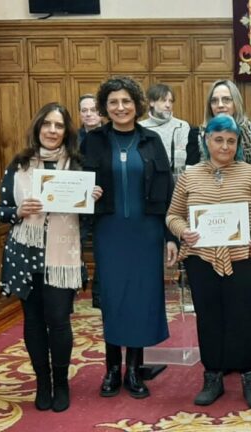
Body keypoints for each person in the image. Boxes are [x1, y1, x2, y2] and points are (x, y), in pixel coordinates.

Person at [166, 114, 251, 409]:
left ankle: (250, 376)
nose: (225, 146)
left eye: (231, 141)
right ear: (207, 141)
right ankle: (212, 375)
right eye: (219, 140)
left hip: (244, 257)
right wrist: (182, 231)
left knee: (243, 316)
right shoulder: (189, 176)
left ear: (238, 143)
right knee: (209, 315)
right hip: (201, 258)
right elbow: (173, 215)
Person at [0, 102, 101, 413]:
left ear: (66, 132)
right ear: (38, 127)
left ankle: (61, 383)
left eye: (58, 126)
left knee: (58, 321)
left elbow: (88, 222)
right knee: (33, 321)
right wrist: (18, 211)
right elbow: (2, 211)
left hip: (62, 255)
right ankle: (42, 383)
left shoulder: (79, 167)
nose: (52, 130)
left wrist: (91, 200)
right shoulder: (19, 165)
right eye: (47, 124)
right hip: (24, 254)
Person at [83, 76, 178, 400]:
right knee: (112, 299)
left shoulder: (151, 140)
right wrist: (86, 193)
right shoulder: (93, 140)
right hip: (110, 232)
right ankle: (111, 369)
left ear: (137, 105)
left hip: (146, 232)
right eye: (113, 102)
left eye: (126, 101)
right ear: (105, 108)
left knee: (140, 299)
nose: (120, 107)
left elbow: (167, 192)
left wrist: (169, 236)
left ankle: (135, 370)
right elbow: (76, 183)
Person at [139, 83, 197, 172]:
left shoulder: (182, 126)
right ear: (151, 102)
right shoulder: (140, 127)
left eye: (170, 101)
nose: (168, 105)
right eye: (163, 100)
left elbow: (185, 159)